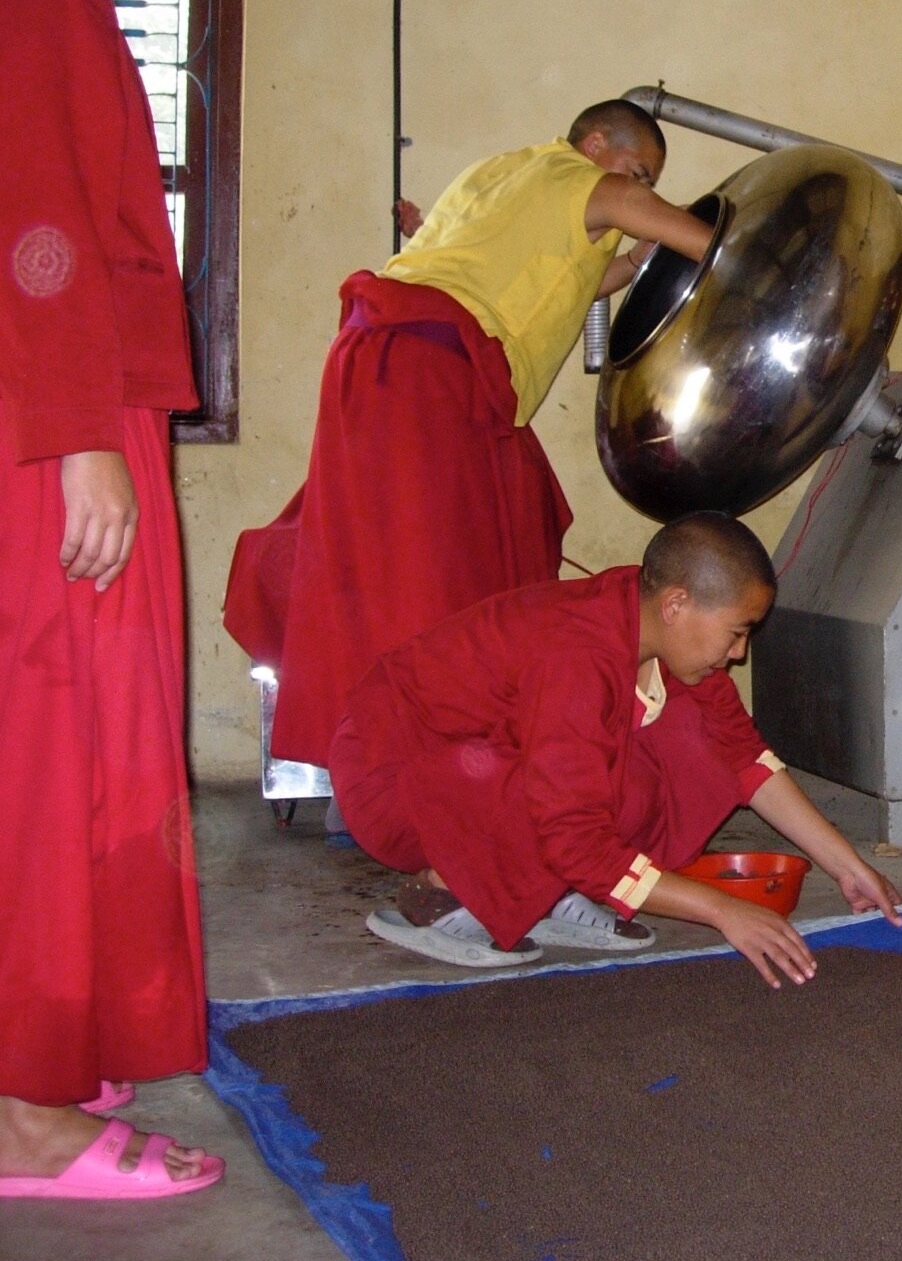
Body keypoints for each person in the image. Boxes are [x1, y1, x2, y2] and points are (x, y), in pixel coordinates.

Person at [223, 97, 718, 793]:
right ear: (596, 143)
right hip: (430, 369)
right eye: (638, 171)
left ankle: (398, 764)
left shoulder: (500, 175)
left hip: (382, 359)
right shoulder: (587, 184)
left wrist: (637, 260)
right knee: (429, 586)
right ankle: (402, 777)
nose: (641, 190)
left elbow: (581, 281)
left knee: (496, 533)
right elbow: (707, 245)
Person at [0, 0, 222, 1201]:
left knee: (87, 751)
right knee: (52, 753)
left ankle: (46, 1052)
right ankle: (26, 1124)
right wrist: (83, 432)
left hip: (67, 411)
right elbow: (36, 215)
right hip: (45, 429)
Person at [330, 512, 902, 985]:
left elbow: (743, 757)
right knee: (576, 797)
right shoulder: (575, 656)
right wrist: (722, 910)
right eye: (737, 632)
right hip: (395, 781)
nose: (739, 653)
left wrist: (845, 864)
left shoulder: (649, 621)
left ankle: (544, 893)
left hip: (469, 766)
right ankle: (439, 894)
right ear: (676, 604)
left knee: (683, 744)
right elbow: (574, 835)